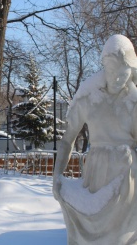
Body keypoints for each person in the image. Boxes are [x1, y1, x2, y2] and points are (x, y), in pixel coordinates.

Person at [53, 34, 137, 245]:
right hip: (97, 171)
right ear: (104, 68)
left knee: (122, 237)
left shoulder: (134, 102)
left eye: (123, 72)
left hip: (127, 175)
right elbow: (67, 139)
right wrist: (57, 174)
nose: (117, 77)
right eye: (111, 71)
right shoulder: (88, 95)